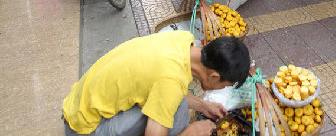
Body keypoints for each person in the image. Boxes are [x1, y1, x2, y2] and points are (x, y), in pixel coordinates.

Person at [63, 33, 250, 136]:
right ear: (214, 76)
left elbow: (164, 87)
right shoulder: (171, 82)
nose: (222, 89)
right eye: (224, 85)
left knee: (176, 106)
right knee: (176, 117)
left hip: (78, 105)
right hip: (85, 129)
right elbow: (168, 87)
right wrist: (191, 132)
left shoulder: (183, 40)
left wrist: (203, 105)